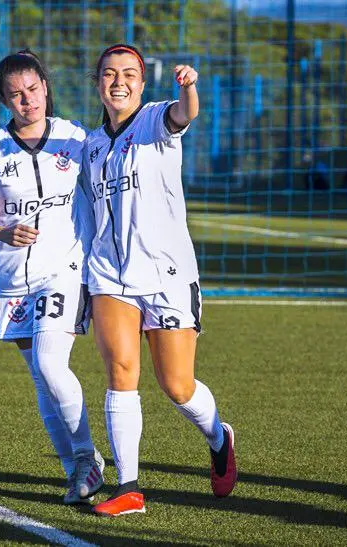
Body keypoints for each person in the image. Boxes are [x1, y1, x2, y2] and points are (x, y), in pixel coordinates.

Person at [80, 44, 238, 517]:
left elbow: (183, 114)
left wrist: (189, 89)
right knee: (121, 372)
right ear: (98, 83)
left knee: (177, 385)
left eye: (129, 73)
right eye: (109, 73)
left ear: (143, 83)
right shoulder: (90, 145)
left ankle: (217, 436)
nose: (118, 81)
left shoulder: (154, 121)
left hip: (168, 275)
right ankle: (128, 488)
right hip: (109, 275)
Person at [0, 49, 103, 505]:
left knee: (49, 363)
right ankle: (74, 471)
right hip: (11, 277)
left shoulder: (74, 138)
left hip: (64, 268)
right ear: (5, 100)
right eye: (16, 95)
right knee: (41, 379)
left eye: (34, 89)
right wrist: (2, 230)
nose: (28, 101)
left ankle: (88, 459)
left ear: (46, 86)